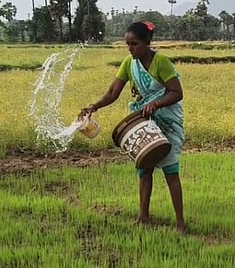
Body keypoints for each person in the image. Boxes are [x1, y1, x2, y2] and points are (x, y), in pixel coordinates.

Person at [78, 21, 186, 233]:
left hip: (167, 121)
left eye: (134, 44)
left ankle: (180, 223)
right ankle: (143, 217)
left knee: (170, 172)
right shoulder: (129, 63)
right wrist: (94, 107)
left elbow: (176, 92)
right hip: (144, 122)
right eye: (128, 44)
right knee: (144, 168)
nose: (130, 48)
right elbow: (112, 93)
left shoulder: (161, 62)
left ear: (147, 43)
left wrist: (156, 103)